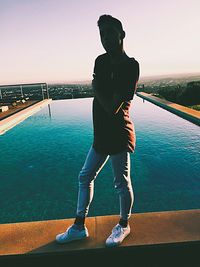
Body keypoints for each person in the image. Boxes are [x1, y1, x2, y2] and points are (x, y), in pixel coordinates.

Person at [56, 14, 140, 247]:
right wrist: (102, 90)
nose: (105, 38)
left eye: (110, 33)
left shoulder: (131, 66)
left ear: (121, 35)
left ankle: (123, 225)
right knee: (85, 176)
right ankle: (79, 226)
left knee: (121, 182)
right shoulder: (100, 61)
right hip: (101, 134)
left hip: (119, 132)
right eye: (101, 34)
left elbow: (113, 106)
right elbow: (107, 96)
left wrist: (96, 88)